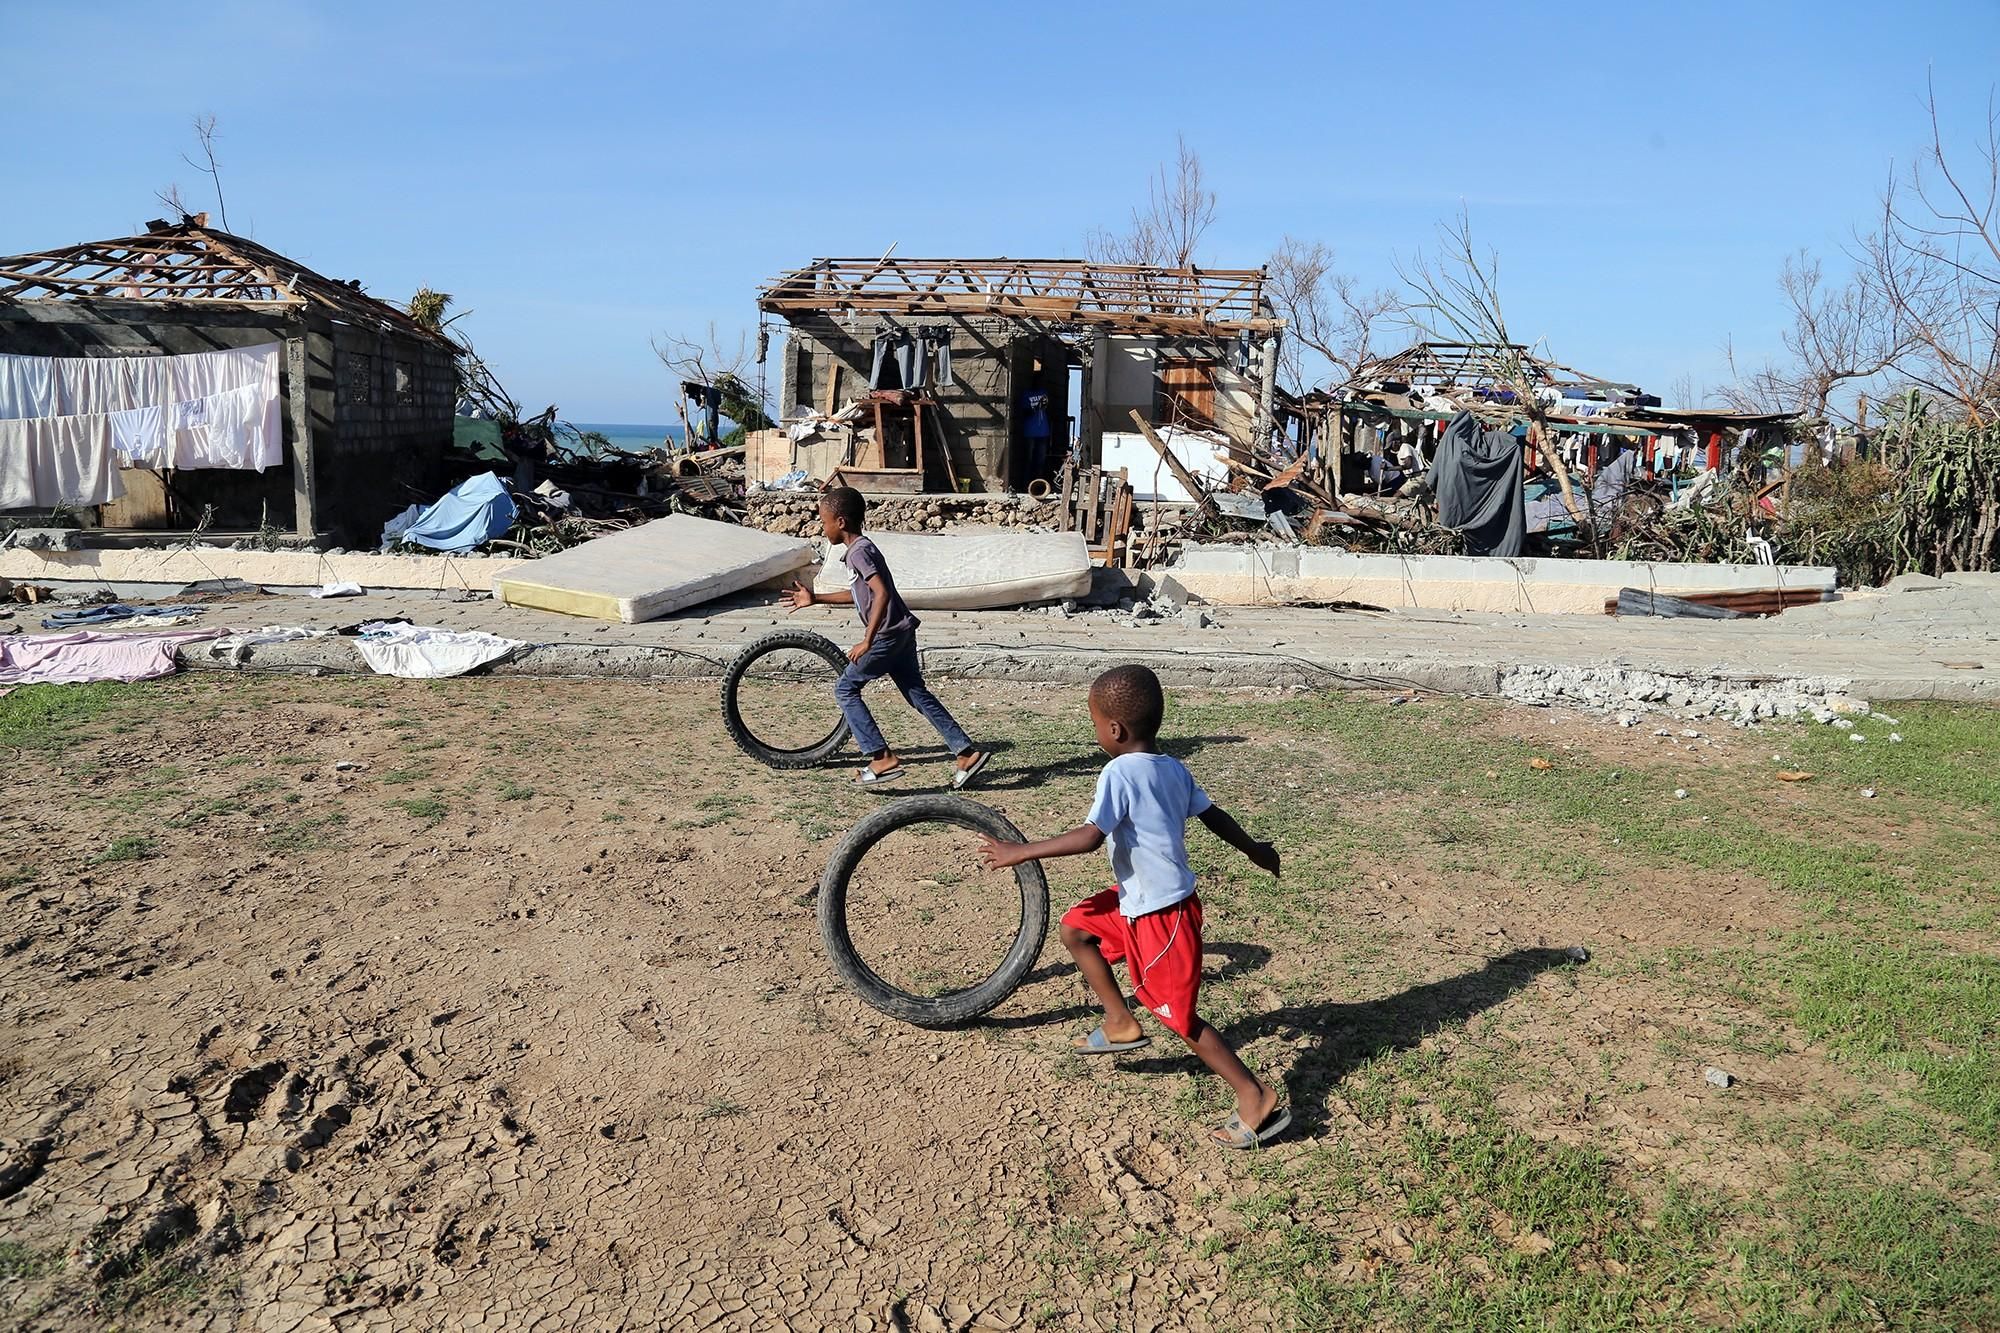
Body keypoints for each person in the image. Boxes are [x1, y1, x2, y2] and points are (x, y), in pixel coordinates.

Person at [978, 665, 1288, 1149]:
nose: (1097, 732)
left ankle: (1255, 1095)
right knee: (1077, 929)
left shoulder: (1119, 771)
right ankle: (1119, 1021)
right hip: (1136, 902)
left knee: (1178, 1017)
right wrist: (1254, 849)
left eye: (1095, 724)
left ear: (1115, 730)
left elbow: (1089, 838)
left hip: (1163, 915)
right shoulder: (1173, 767)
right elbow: (1215, 816)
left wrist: (1020, 850)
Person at [781, 486, 990, 788]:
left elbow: (881, 592)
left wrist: (868, 639)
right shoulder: (860, 550)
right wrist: (816, 598)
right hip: (901, 631)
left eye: (824, 521)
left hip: (886, 637)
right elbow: (859, 593)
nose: (822, 527)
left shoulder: (859, 552)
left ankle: (880, 758)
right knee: (917, 693)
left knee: (845, 689)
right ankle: (966, 753)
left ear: (840, 522)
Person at [1021, 385, 1053, 484]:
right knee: (1028, 459)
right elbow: (1023, 412)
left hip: (1042, 432)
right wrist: (1034, 408)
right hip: (1030, 432)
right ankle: (1026, 484)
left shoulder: (1044, 392)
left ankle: (1038, 484)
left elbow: (1049, 408)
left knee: (1041, 460)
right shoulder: (1026, 394)